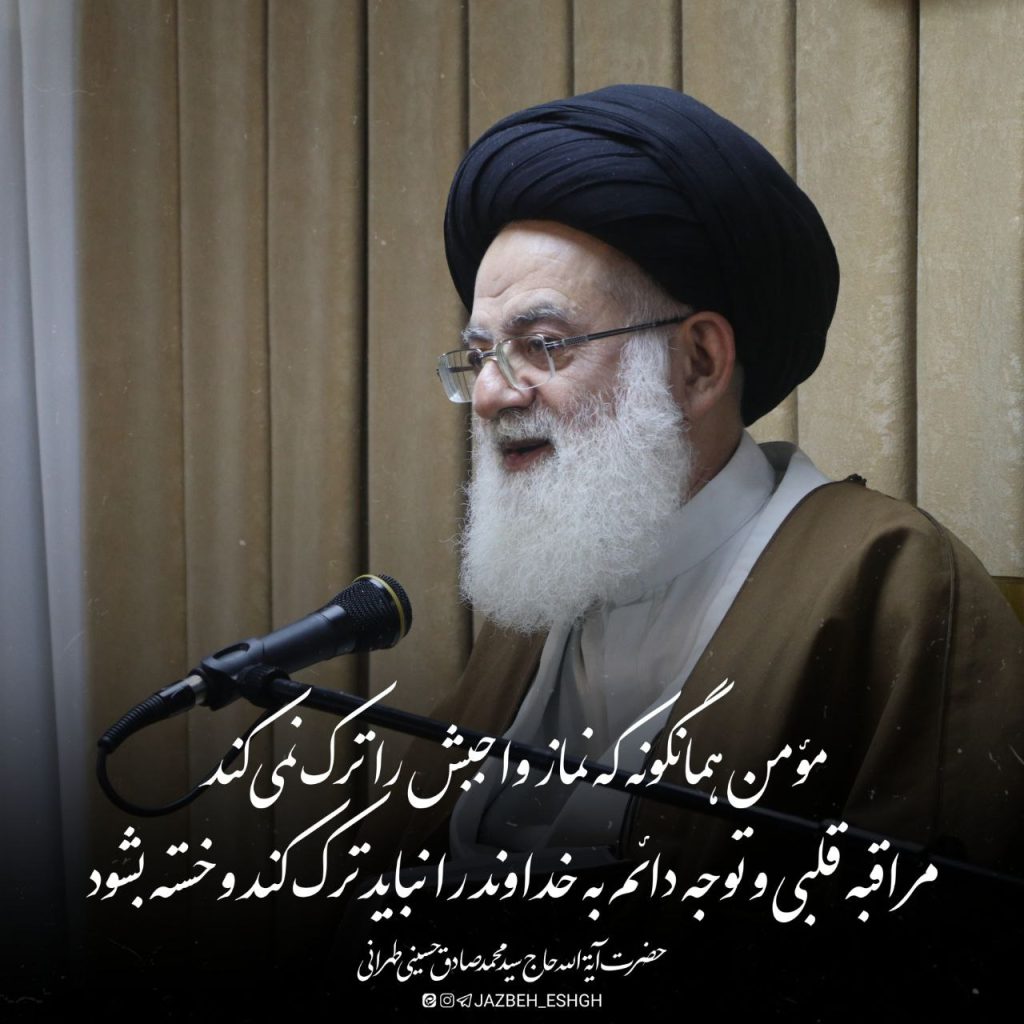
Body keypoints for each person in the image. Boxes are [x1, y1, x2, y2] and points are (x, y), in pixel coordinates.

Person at [367, 84, 1023, 906]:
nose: (493, 395)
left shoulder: (890, 576)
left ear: (700, 363)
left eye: (541, 345)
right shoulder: (543, 588)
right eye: (479, 356)